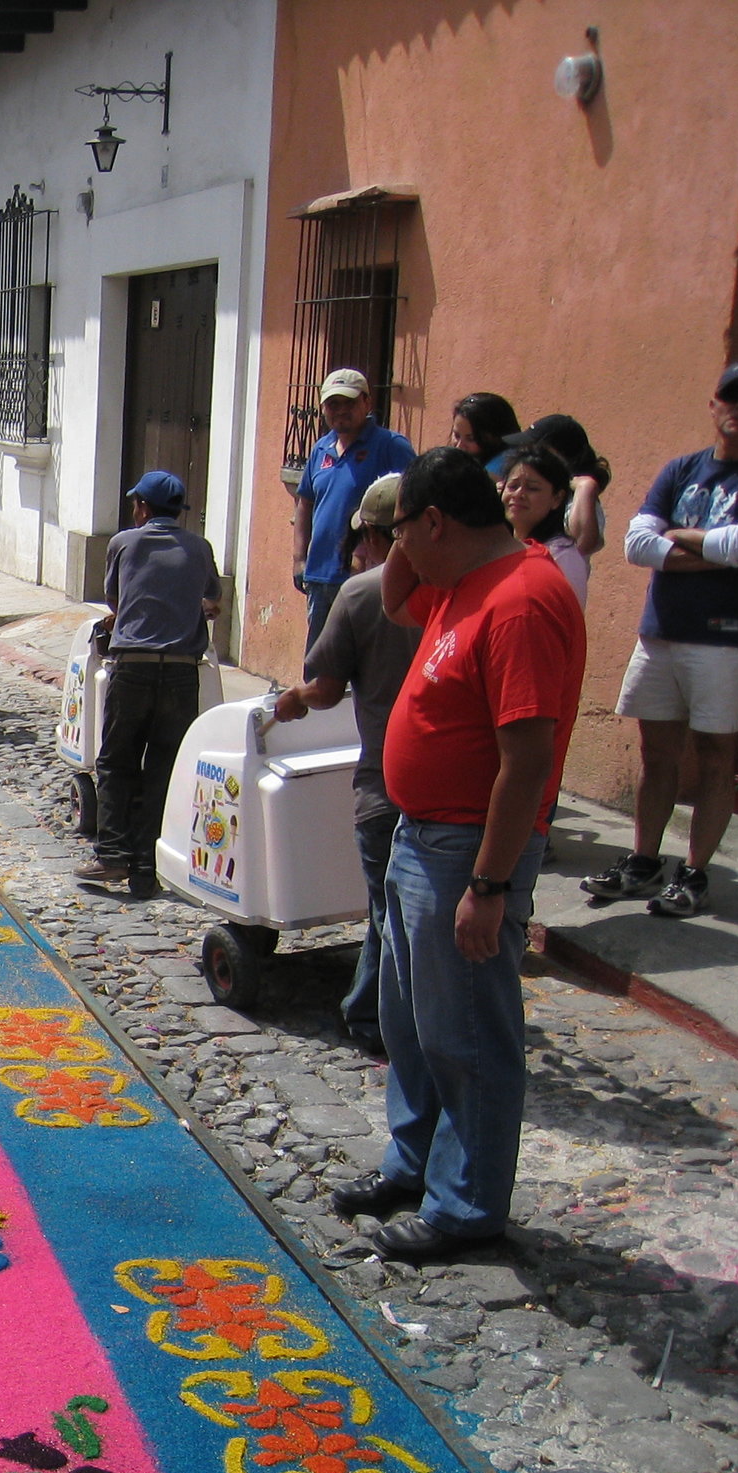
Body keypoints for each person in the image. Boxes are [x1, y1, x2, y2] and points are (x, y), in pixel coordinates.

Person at [326, 448, 585, 1253]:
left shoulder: (522, 600)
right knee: (409, 1022)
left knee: (467, 1033)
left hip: (468, 846)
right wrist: (407, 531)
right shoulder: (460, 578)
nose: (389, 550)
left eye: (401, 531)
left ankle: (465, 1207)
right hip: (420, 832)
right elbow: (397, 598)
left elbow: (529, 759)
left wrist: (491, 883)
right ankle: (413, 1164)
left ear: (437, 522)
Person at [582, 362, 738, 920]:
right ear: (712, 405)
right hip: (661, 633)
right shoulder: (682, 469)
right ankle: (644, 861)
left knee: (715, 756)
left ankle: (695, 873)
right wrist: (713, 553)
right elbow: (637, 543)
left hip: (724, 641)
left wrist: (680, 539)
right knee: (655, 751)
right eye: (729, 396)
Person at [269, 473, 416, 1054]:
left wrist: (291, 701)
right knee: (407, 908)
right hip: (447, 789)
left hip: (387, 781)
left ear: (379, 536)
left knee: (389, 908)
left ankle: (372, 1018)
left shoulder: (364, 594)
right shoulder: (460, 590)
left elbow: (324, 689)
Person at [72, 471, 223, 896]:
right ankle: (147, 863)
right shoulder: (200, 547)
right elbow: (212, 597)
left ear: (142, 507)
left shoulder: (124, 543)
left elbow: (115, 602)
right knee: (162, 766)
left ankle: (112, 855)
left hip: (133, 665)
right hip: (180, 670)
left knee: (117, 762)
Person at [295, 369, 417, 645]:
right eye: (332, 404)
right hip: (320, 575)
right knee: (320, 663)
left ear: (366, 402)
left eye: (349, 403)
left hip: (367, 575)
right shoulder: (321, 448)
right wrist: (299, 558)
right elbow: (305, 501)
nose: (340, 411)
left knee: (363, 660)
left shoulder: (390, 446)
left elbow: (413, 502)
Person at [500, 447, 590, 602]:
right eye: (513, 486)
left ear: (557, 499)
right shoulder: (500, 549)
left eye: (532, 488)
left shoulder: (561, 557)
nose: (518, 494)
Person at [450, 392, 523, 477]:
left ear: (495, 437)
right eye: (456, 435)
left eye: (471, 439)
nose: (459, 446)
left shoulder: (494, 472)